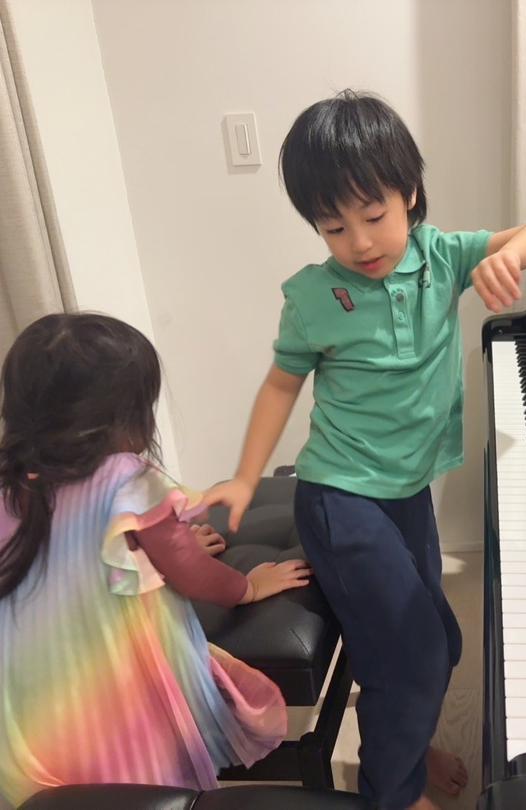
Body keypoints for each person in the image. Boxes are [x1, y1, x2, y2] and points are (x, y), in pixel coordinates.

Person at [205, 90, 526, 810]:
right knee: (415, 650)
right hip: (340, 499)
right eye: (334, 227)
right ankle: (393, 793)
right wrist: (245, 477)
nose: (360, 243)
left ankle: (406, 739)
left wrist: (510, 257)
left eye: (374, 216)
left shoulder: (443, 257)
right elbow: (280, 385)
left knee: (434, 641)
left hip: (405, 494)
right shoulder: (313, 297)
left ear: (410, 196)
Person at [0, 313, 312, 809]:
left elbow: (72, 559)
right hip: (113, 677)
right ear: (126, 417)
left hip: (29, 689)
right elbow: (194, 575)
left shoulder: (12, 482)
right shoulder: (128, 480)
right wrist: (248, 587)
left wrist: (154, 551)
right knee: (143, 770)